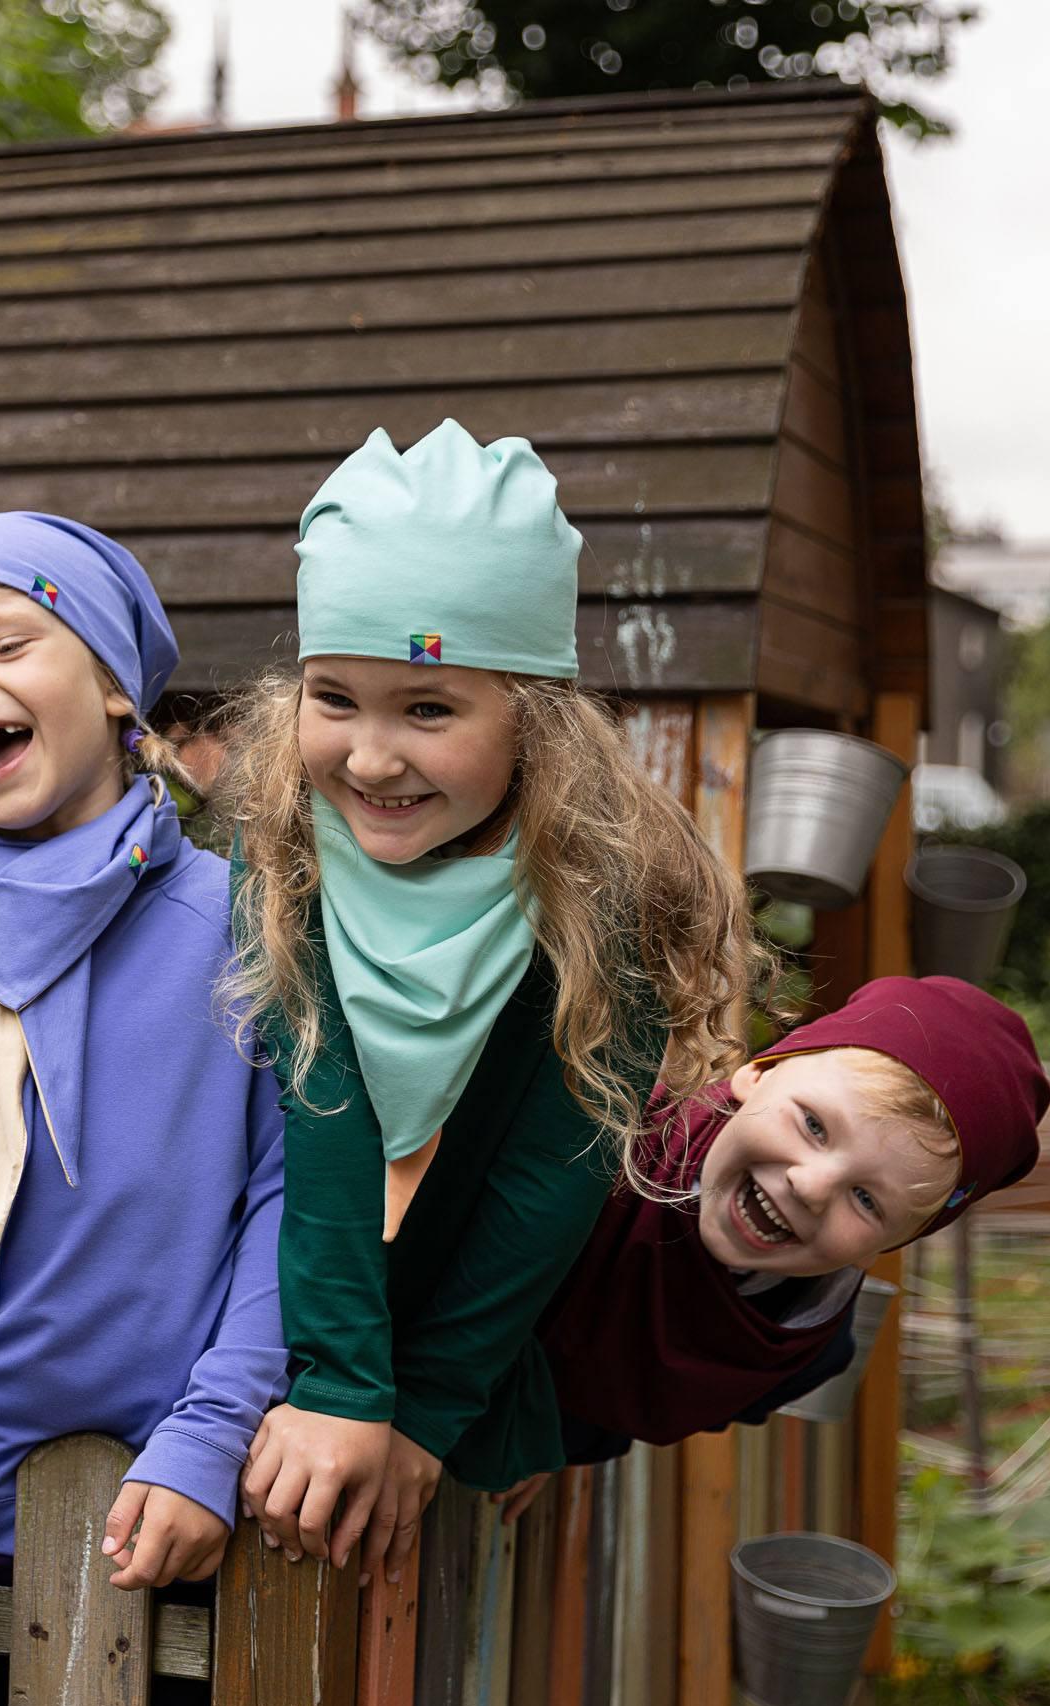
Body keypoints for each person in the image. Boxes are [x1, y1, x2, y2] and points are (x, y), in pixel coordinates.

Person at [229, 421, 768, 1585]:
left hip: (446, 1338)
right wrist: (340, 1381)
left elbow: (551, 1169)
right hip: (268, 1325)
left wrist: (424, 1405)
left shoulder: (597, 891)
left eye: (426, 709)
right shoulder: (284, 852)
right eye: (336, 697)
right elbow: (326, 1112)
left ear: (530, 714)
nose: (369, 758)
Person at [0, 511, 289, 1673]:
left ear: (117, 685)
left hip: (191, 1513)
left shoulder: (246, 923)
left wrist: (208, 1436)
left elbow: (288, 1205)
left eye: (5, 644)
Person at [518, 974, 1050, 1489]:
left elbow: (625, 1415)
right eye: (814, 1125)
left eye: (866, 1200)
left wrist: (551, 1441)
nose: (812, 1187)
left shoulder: (806, 1347)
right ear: (760, 1071)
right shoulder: (596, 1137)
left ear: (890, 1245)